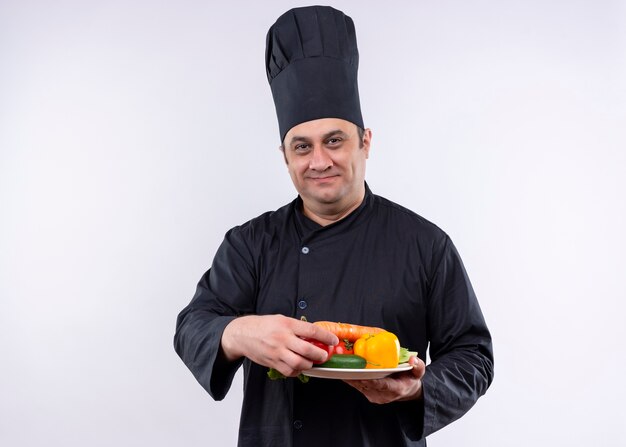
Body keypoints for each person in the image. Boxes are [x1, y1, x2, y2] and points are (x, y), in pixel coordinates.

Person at [174, 6, 493, 446]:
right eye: (301, 146)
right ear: (285, 156)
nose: (318, 161)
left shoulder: (425, 244)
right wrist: (241, 332)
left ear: (365, 142)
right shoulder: (250, 244)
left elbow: (473, 356)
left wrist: (418, 388)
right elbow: (193, 325)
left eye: (335, 140)